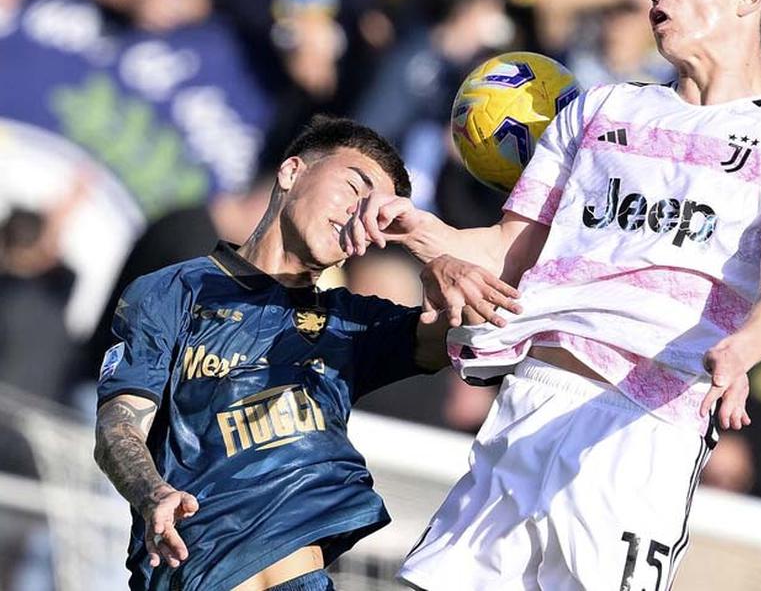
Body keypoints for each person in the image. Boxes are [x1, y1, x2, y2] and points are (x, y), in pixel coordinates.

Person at [355, 0, 761, 588]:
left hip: (641, 428)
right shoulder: (597, 109)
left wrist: (742, 347)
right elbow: (505, 251)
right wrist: (420, 229)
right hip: (528, 401)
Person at [92, 117, 518, 591]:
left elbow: (473, 330)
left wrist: (440, 261)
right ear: (292, 171)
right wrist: (153, 494)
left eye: (376, 211)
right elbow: (119, 424)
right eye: (353, 188)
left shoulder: (351, 323)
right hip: (195, 571)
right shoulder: (175, 290)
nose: (358, 213)